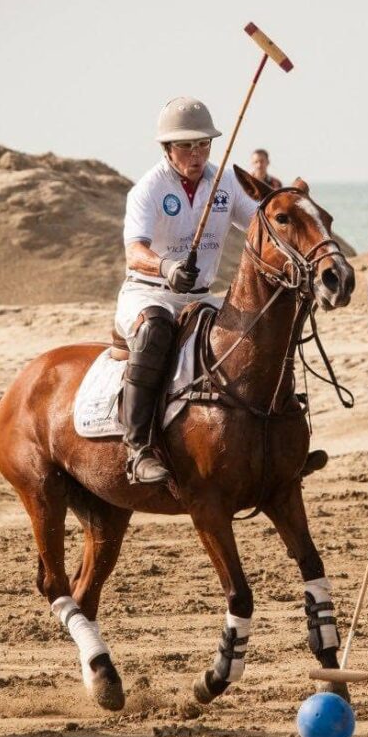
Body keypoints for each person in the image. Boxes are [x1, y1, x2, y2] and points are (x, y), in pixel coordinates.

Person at [116, 96, 258, 485]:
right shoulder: (148, 188)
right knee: (155, 329)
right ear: (167, 148)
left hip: (200, 296)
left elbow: (258, 223)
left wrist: (289, 211)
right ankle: (138, 449)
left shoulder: (225, 181)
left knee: (253, 332)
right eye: (186, 145)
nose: (196, 154)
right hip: (150, 293)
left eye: (203, 144)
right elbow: (134, 251)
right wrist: (166, 266)